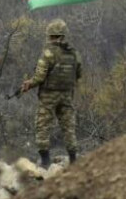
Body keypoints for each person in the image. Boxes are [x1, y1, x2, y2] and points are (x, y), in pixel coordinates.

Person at [20, 19, 82, 169]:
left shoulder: (48, 54)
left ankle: (46, 161)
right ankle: (73, 160)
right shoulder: (74, 53)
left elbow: (40, 77)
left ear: (50, 35)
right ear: (63, 35)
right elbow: (78, 74)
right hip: (66, 95)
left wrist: (29, 84)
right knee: (68, 127)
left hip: (48, 96)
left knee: (43, 125)